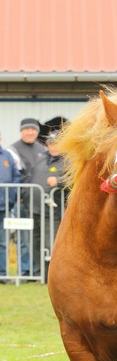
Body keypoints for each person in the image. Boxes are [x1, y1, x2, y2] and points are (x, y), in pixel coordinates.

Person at [8, 118, 47, 278]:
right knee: (23, 237)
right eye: (27, 129)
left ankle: (39, 269)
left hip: (39, 202)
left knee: (40, 237)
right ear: (21, 131)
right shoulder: (13, 150)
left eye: (33, 129)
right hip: (21, 201)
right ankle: (25, 270)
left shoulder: (43, 150)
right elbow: (14, 175)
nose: (30, 132)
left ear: (37, 132)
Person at [30, 131, 65, 281]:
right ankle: (40, 273)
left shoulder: (68, 160)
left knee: (51, 243)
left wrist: (59, 182)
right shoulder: (40, 157)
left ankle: (52, 276)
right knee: (35, 242)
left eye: (56, 143)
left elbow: (74, 180)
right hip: (35, 208)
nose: (53, 146)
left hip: (54, 210)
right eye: (51, 143)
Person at [0, 135, 20, 282]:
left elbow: (16, 177)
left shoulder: (8, 156)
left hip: (4, 206)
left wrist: (11, 196)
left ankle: (2, 274)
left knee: (2, 242)